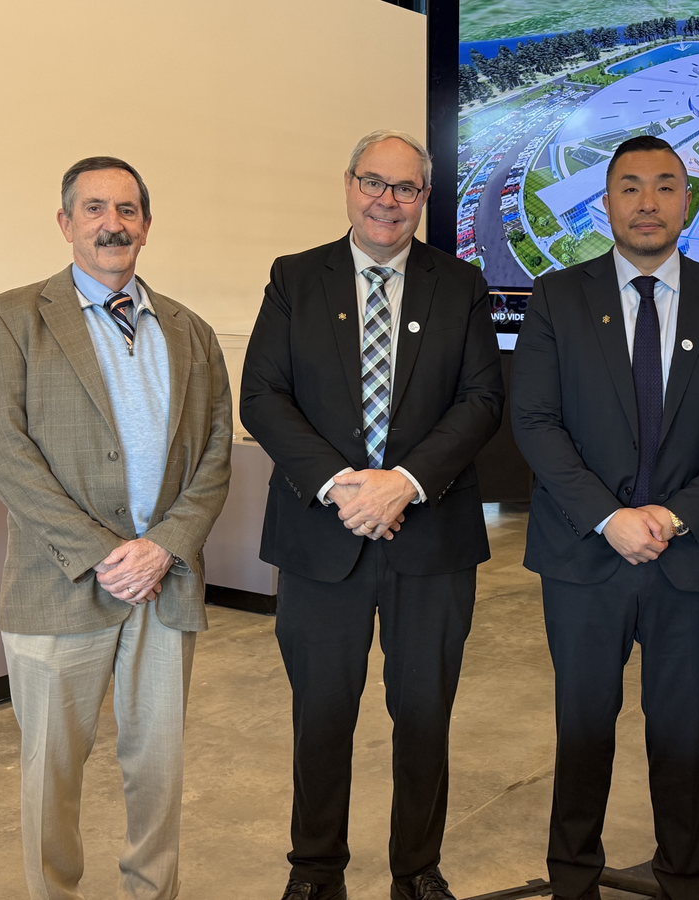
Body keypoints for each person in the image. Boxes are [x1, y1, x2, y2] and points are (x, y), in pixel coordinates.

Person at [239, 129, 504, 900]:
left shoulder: (461, 285)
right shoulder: (294, 278)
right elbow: (263, 395)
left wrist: (405, 483)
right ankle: (315, 870)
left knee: (423, 716)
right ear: (349, 184)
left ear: (425, 198)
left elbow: (482, 400)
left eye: (406, 188)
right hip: (322, 536)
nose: (388, 201)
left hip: (432, 538)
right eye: (374, 183)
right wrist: (343, 486)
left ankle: (417, 870)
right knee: (321, 714)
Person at [509, 135, 699, 900]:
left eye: (664, 186)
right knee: (583, 728)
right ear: (606, 203)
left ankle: (683, 878)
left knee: (680, 736)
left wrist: (675, 515)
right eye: (630, 187)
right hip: (583, 557)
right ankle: (573, 879)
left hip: (689, 559)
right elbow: (535, 421)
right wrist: (608, 518)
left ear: (686, 201)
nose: (647, 202)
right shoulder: (558, 297)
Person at [0, 156, 233, 900]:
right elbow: (4, 450)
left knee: (159, 768)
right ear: (66, 223)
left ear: (146, 226)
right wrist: (103, 554)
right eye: (93, 209)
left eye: (126, 210)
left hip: (163, 585)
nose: (111, 224)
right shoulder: (13, 317)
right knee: (50, 772)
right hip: (58, 585)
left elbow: (216, 451)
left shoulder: (191, 330)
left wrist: (164, 548)